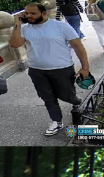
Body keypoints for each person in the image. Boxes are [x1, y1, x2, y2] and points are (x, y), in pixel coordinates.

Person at [9, 3, 90, 136]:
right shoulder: (24, 28)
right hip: (37, 70)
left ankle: (77, 101)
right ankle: (56, 121)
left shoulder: (60, 26)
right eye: (26, 13)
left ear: (44, 13)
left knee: (67, 95)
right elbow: (14, 44)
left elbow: (78, 46)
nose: (29, 16)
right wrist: (17, 25)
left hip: (62, 69)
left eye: (33, 13)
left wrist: (85, 67)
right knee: (48, 98)